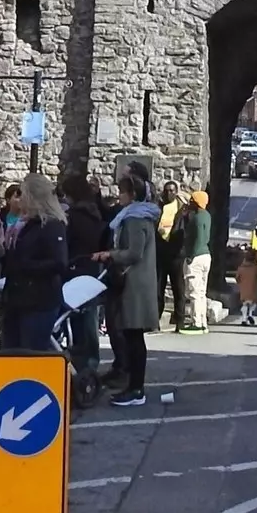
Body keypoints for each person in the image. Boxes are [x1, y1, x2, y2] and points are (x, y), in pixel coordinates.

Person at [96, 170, 161, 407]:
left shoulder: (134, 219)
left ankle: (136, 389)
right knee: (133, 336)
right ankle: (134, 386)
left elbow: (134, 252)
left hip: (134, 283)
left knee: (133, 337)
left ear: (132, 194)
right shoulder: (137, 216)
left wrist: (109, 254)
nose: (119, 195)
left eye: (122, 191)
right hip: (137, 281)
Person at [2, 173, 70, 351]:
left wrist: (25, 265)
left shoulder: (52, 225)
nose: (19, 198)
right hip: (17, 297)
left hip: (39, 299)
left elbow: (59, 262)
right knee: (11, 351)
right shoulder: (23, 224)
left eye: (22, 194)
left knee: (31, 352)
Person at [62, 176, 110, 373]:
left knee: (76, 316)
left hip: (75, 266)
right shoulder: (96, 213)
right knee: (89, 314)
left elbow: (69, 243)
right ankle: (91, 359)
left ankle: (81, 359)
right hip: (92, 267)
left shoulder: (72, 217)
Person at [179, 190, 213, 334]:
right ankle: (203, 322)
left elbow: (198, 237)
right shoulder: (206, 215)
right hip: (206, 255)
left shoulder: (197, 218)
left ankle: (196, 322)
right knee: (201, 292)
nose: (190, 203)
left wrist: (190, 255)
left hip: (196, 256)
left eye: (192, 200)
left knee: (193, 292)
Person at [155, 182, 187, 332]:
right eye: (166, 191)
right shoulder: (159, 207)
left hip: (176, 254)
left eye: (172, 191)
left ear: (176, 192)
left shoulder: (181, 209)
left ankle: (180, 320)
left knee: (178, 288)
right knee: (158, 289)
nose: (168, 194)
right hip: (161, 253)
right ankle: (155, 321)